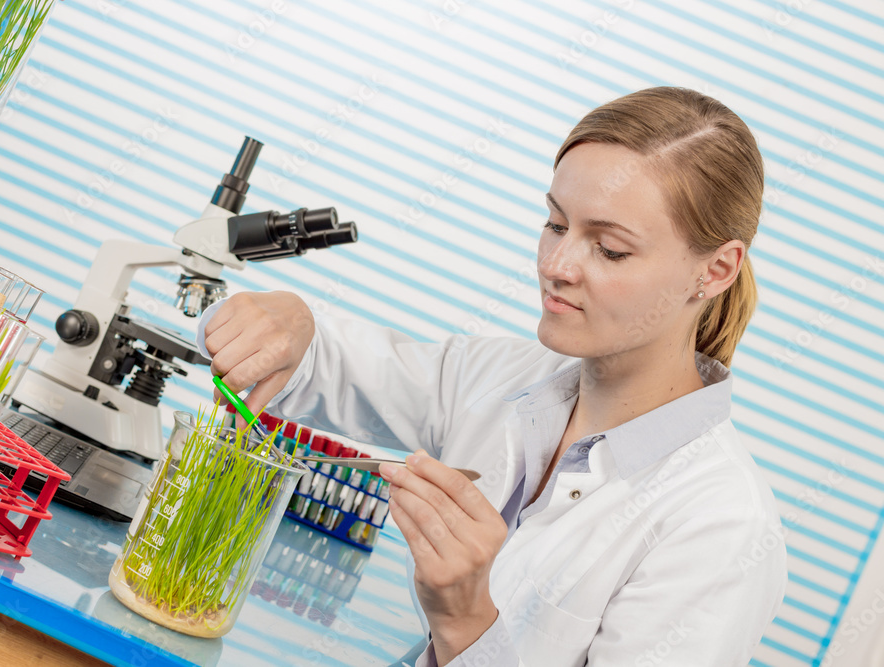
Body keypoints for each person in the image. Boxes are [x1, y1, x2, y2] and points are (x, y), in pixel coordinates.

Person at [198, 87, 787, 666]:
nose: (555, 267)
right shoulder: (508, 376)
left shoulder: (721, 526)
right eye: (556, 225)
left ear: (714, 270)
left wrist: (464, 623)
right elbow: (330, 365)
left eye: (608, 249)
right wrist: (287, 324)